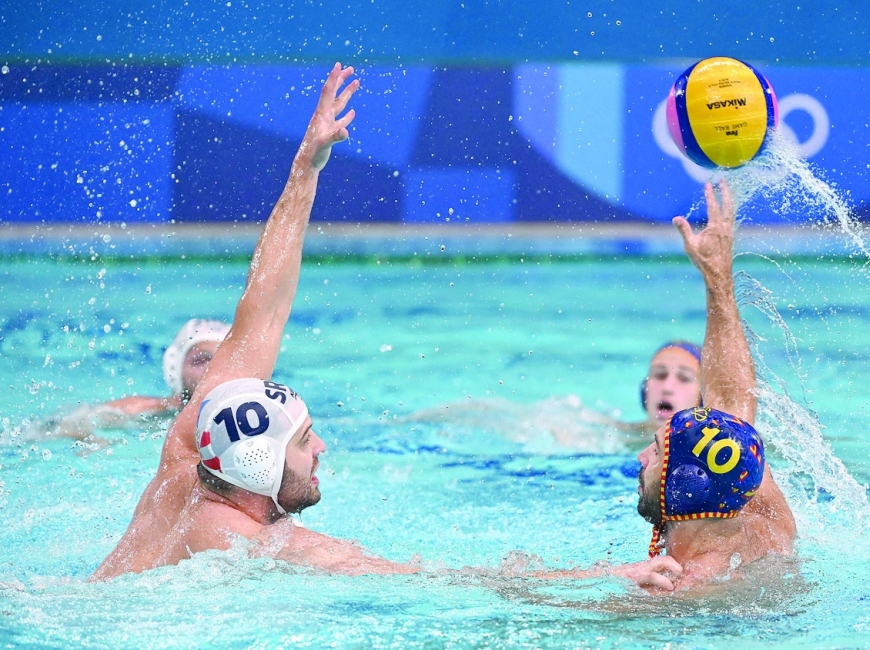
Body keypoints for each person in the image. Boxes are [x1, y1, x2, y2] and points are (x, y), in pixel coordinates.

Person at [90, 63, 678, 592]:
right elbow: (436, 581)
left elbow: (263, 309)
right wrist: (610, 574)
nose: (321, 447)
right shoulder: (245, 540)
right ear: (259, 468)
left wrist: (306, 169)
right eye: (302, 444)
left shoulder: (191, 450)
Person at [634, 181, 797, 592]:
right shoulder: (759, 511)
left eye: (655, 453)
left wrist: (611, 575)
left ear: (683, 484)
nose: (640, 456)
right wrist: (717, 275)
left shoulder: (683, 587)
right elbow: (733, 405)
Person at [38, 318, 230, 443]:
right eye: (201, 360)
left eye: (225, 360)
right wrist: (93, 439)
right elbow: (57, 425)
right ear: (175, 369)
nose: (213, 369)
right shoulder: (153, 412)